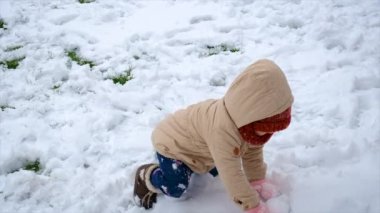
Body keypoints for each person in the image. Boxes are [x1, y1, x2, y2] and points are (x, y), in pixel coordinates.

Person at [133, 59, 294, 213]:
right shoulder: (223, 131)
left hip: (197, 147)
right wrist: (251, 204)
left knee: (219, 165)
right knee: (176, 187)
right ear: (253, 119)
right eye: (266, 128)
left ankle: (191, 167)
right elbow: (232, 175)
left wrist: (257, 180)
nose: (269, 134)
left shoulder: (243, 120)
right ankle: (148, 175)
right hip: (172, 145)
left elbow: (252, 152)